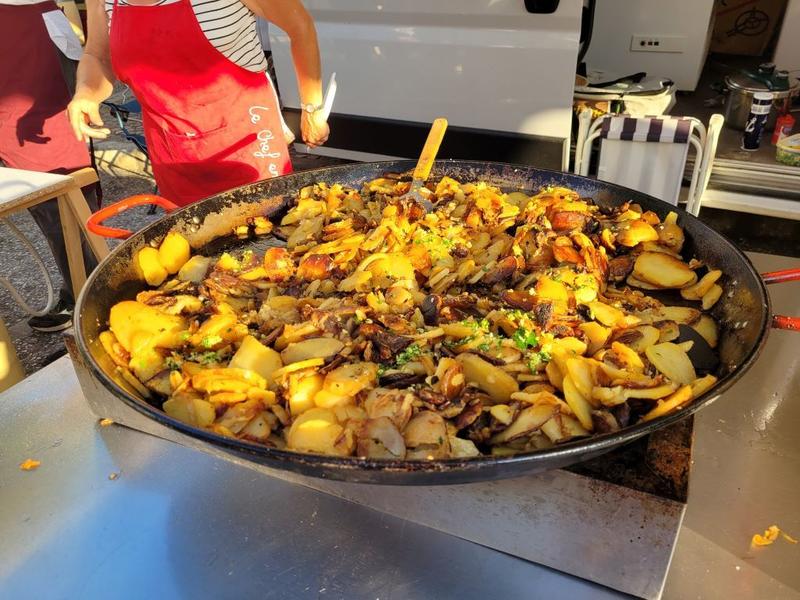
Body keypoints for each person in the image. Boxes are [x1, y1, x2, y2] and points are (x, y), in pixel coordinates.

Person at [69, 0, 330, 207]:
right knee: (192, 256)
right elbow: (98, 54)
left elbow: (300, 26)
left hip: (248, 142)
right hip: (172, 153)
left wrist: (312, 108)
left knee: (269, 242)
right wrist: (86, 93)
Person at [0, 0, 100, 332]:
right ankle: (82, 291)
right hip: (27, 29)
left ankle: (92, 299)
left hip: (29, 34)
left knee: (62, 193)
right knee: (44, 194)